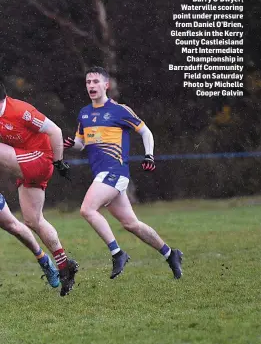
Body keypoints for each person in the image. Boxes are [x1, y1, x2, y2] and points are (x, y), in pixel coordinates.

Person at [64, 66, 183, 280]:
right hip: (102, 175)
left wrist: (149, 155)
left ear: (106, 85)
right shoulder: (84, 113)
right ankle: (170, 254)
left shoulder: (120, 110)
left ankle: (118, 253)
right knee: (131, 224)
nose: (91, 85)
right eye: (88, 82)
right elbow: (82, 143)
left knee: (87, 209)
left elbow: (145, 131)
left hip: (114, 172)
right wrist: (71, 143)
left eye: (96, 82)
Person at [0, 82, 78, 296]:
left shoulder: (20, 111)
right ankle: (64, 266)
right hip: (26, 164)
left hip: (40, 160)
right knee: (33, 220)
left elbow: (55, 130)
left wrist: (59, 162)